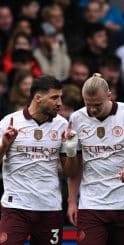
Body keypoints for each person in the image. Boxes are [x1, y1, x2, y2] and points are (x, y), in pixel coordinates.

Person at [67, 73, 124, 245]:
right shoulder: (77, 119)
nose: (92, 110)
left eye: (97, 105)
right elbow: (74, 168)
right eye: (88, 105)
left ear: (110, 96)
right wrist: (72, 201)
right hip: (91, 204)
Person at [0, 75, 78, 244]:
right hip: (16, 206)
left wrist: (71, 149)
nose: (60, 103)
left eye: (61, 97)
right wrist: (4, 145)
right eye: (54, 98)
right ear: (37, 98)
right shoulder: (10, 122)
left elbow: (71, 172)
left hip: (49, 208)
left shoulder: (63, 125)